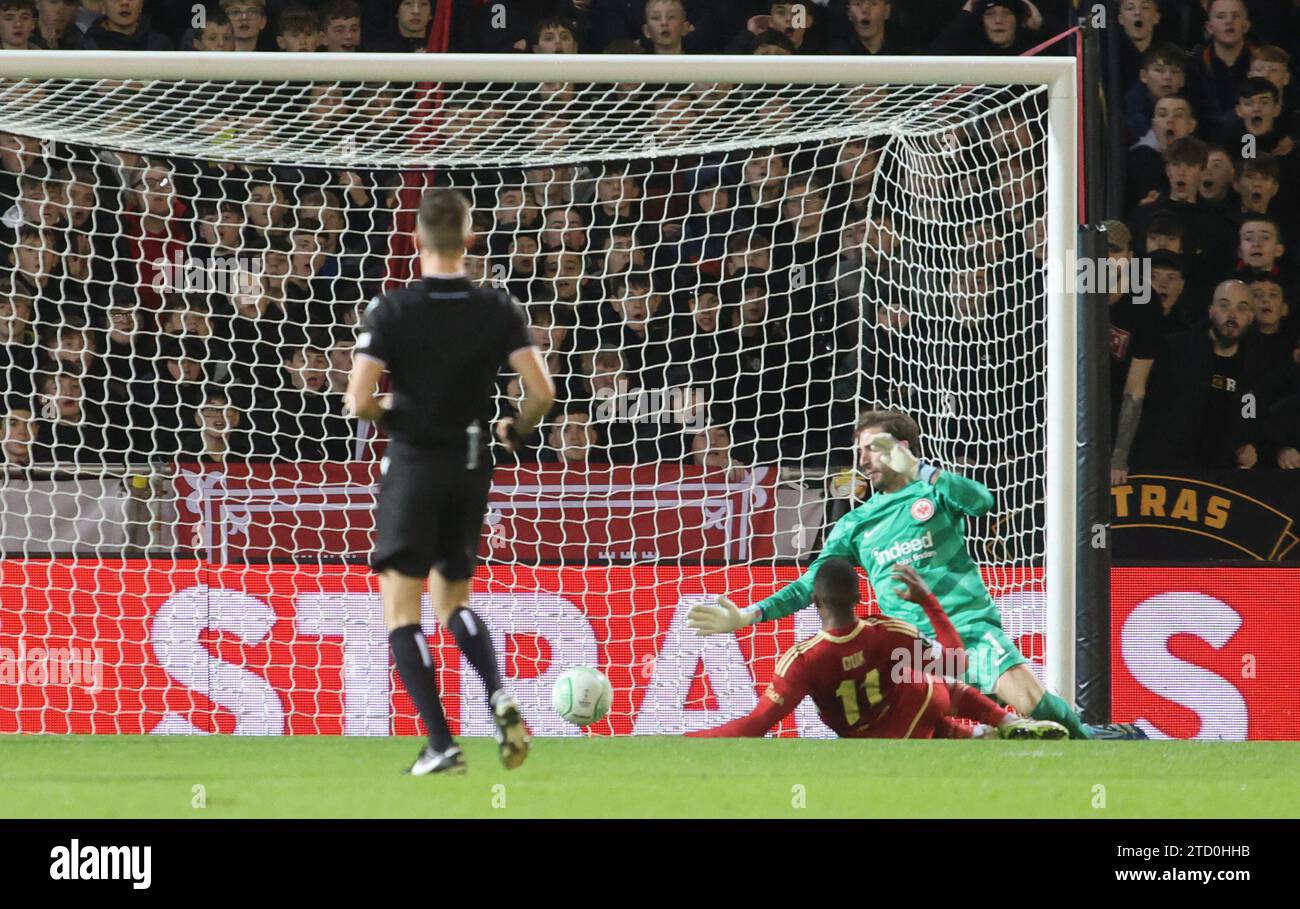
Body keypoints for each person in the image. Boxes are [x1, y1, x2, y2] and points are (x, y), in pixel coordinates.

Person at [687, 408, 1142, 740]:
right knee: (923, 736)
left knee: (1031, 702)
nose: (863, 460)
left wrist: (923, 471)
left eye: (873, 450)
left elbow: (982, 502)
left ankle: (1090, 742)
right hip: (910, 652)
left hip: (966, 631)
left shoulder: (934, 490)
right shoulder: (856, 523)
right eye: (859, 451)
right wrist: (751, 615)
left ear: (901, 449)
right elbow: (814, 583)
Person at [346, 188, 556, 776]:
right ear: (469, 239)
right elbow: (541, 391)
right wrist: (516, 426)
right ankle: (497, 692)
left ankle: (441, 745)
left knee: (402, 609)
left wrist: (397, 413)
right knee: (453, 600)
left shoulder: (392, 309)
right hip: (471, 462)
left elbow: (357, 399)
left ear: (416, 240)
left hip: (414, 464)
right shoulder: (497, 308)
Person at [688, 559, 1067, 740]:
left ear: (815, 603)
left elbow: (755, 726)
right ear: (858, 597)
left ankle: (979, 738)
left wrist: (691, 739)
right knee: (931, 681)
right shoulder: (887, 632)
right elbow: (955, 658)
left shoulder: (803, 661)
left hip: (882, 740)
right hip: (920, 706)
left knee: (921, 718)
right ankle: (1005, 721)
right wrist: (928, 601)